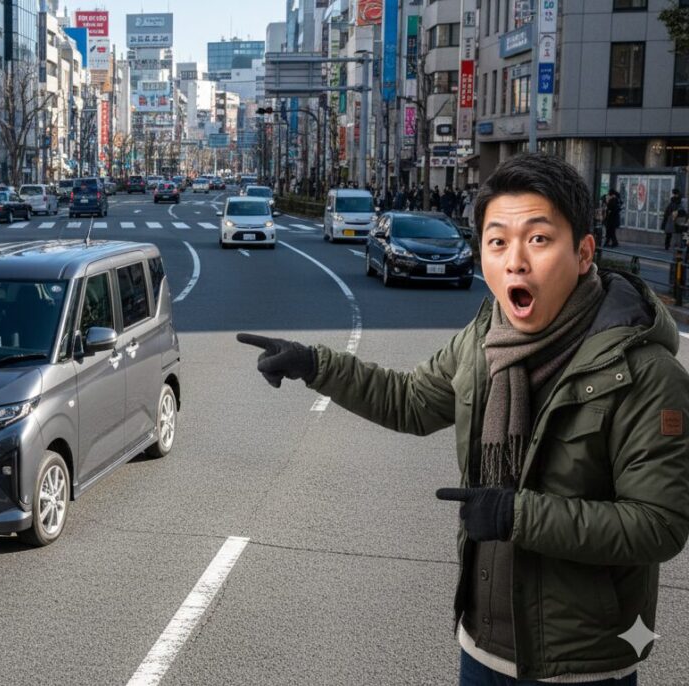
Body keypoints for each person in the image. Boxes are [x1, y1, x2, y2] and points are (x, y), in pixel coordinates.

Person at [238, 153, 688, 685]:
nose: (515, 261)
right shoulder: (484, 339)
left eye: (538, 240)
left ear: (584, 252)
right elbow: (409, 400)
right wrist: (316, 365)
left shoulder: (644, 372)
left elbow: (658, 525)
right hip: (483, 645)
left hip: (586, 664)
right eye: (497, 242)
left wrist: (516, 516)